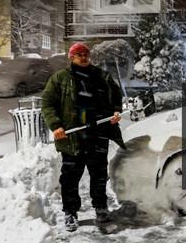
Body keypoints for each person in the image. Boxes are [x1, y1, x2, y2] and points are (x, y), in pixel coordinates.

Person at [41, 42, 124, 232]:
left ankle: (101, 207)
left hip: (97, 134)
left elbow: (116, 95)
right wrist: (56, 126)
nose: (83, 57)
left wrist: (116, 111)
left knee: (99, 175)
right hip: (73, 138)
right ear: (71, 57)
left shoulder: (101, 76)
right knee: (70, 177)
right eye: (79, 54)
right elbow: (47, 103)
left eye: (86, 53)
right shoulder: (60, 79)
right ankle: (70, 212)